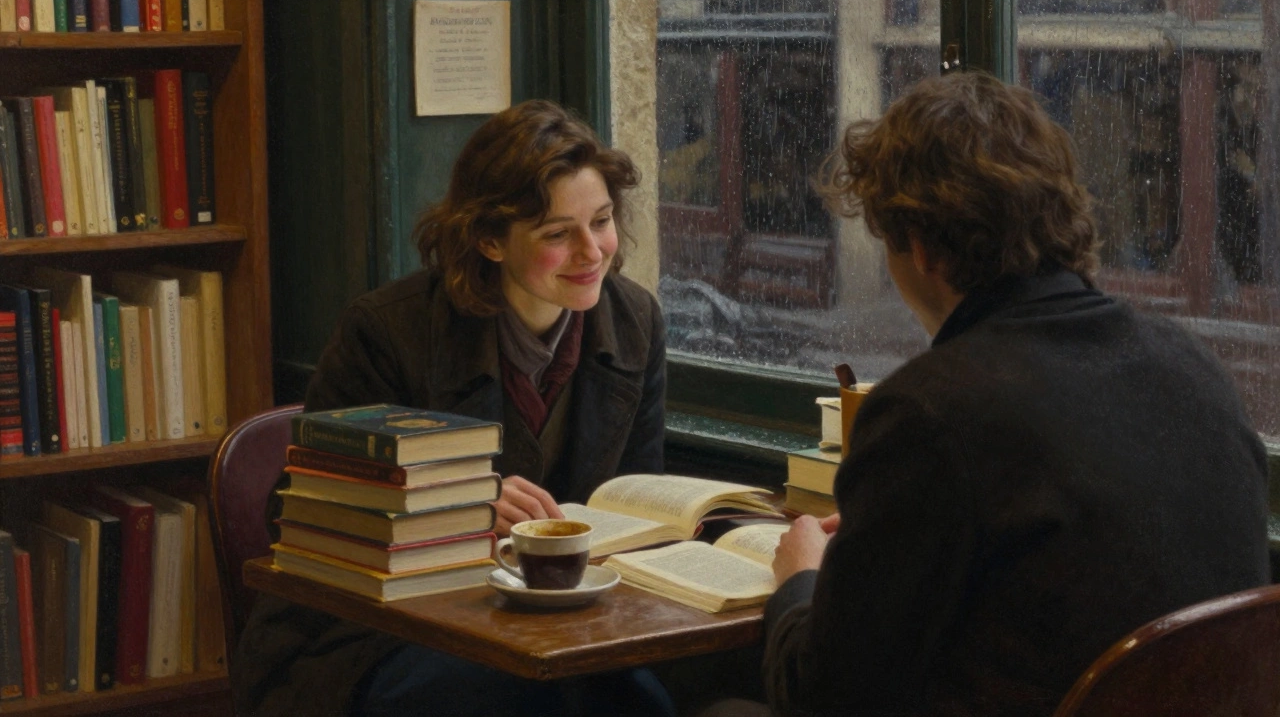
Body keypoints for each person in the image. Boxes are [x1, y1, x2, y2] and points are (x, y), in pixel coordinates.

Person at [759, 72, 1271, 716]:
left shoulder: (929, 410)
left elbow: (825, 699)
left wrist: (802, 580)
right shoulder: (1194, 367)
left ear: (918, 246)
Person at [232, 100, 672, 717]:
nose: (592, 251)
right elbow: (296, 512)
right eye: (556, 233)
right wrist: (456, 507)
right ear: (490, 240)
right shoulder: (387, 330)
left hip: (562, 627)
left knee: (643, 702)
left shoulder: (636, 321)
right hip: (383, 633)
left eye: (600, 221)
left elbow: (636, 501)